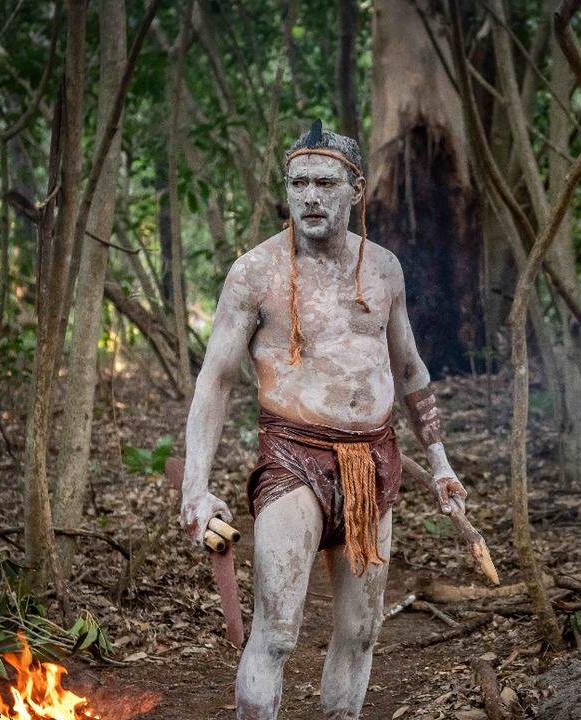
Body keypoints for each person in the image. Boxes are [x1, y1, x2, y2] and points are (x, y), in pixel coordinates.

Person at [179, 120, 467, 720]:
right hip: (293, 460)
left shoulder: (384, 269)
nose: (311, 196)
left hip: (372, 465)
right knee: (278, 633)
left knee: (361, 634)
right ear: (286, 190)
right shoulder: (254, 274)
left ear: (354, 190)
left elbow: (410, 371)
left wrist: (439, 464)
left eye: (325, 183)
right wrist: (195, 489)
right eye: (299, 183)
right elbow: (216, 381)